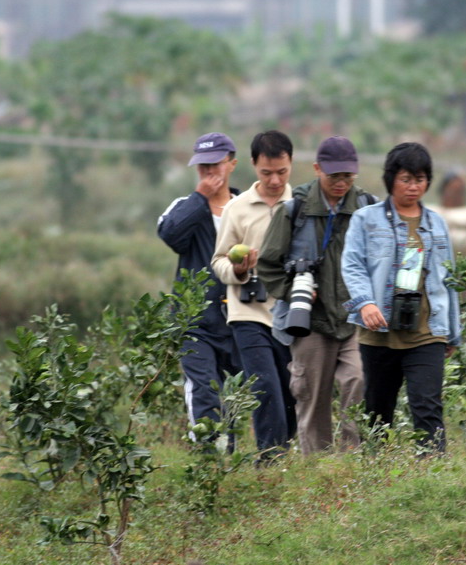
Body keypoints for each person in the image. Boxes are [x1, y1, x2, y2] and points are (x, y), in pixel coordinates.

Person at [341, 142, 462, 453]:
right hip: (378, 332)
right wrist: (365, 303)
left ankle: (432, 477)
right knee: (378, 412)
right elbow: (352, 265)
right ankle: (377, 477)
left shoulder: (436, 224)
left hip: (427, 331)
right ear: (391, 178)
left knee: (427, 406)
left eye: (420, 179)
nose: (414, 187)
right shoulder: (366, 220)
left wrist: (452, 332)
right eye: (406, 179)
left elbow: (449, 279)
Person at [258, 136, 375, 455]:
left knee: (358, 380)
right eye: (334, 175)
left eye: (348, 176)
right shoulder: (294, 210)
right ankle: (318, 469)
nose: (341, 182)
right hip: (309, 322)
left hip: (354, 318)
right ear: (317, 169)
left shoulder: (367, 208)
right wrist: (292, 291)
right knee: (312, 397)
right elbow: (267, 265)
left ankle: (352, 460)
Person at [211, 130, 298, 458]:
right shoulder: (237, 208)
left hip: (290, 314)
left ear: (291, 164)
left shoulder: (301, 205)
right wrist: (238, 269)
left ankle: (284, 453)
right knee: (264, 387)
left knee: (291, 393)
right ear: (253, 166)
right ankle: (269, 461)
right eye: (266, 173)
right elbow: (218, 261)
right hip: (248, 312)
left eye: (282, 172)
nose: (275, 180)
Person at [157, 131, 243, 441]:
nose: (209, 172)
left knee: (245, 395)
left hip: (242, 317)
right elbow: (170, 235)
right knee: (204, 390)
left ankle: (236, 459)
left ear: (231, 164)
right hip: (196, 323)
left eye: (215, 165)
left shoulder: (248, 206)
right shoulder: (186, 206)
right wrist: (200, 198)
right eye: (202, 166)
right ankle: (208, 457)